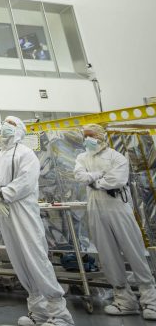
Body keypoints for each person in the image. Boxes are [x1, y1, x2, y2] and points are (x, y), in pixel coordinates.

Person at [0, 116, 74, 326]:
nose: (5, 126)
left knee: (35, 257)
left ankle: (60, 315)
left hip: (22, 211)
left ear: (19, 129)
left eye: (11, 124)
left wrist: (2, 195)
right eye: (4, 122)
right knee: (18, 258)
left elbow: (25, 181)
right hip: (2, 211)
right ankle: (39, 312)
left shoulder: (26, 154)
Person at [73, 123, 156, 319]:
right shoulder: (82, 157)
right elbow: (79, 176)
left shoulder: (116, 157)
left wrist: (93, 181)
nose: (87, 140)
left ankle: (151, 300)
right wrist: (98, 177)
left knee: (133, 250)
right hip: (95, 208)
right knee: (107, 254)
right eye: (84, 136)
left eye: (90, 135)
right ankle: (124, 300)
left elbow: (116, 180)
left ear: (101, 136)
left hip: (117, 206)